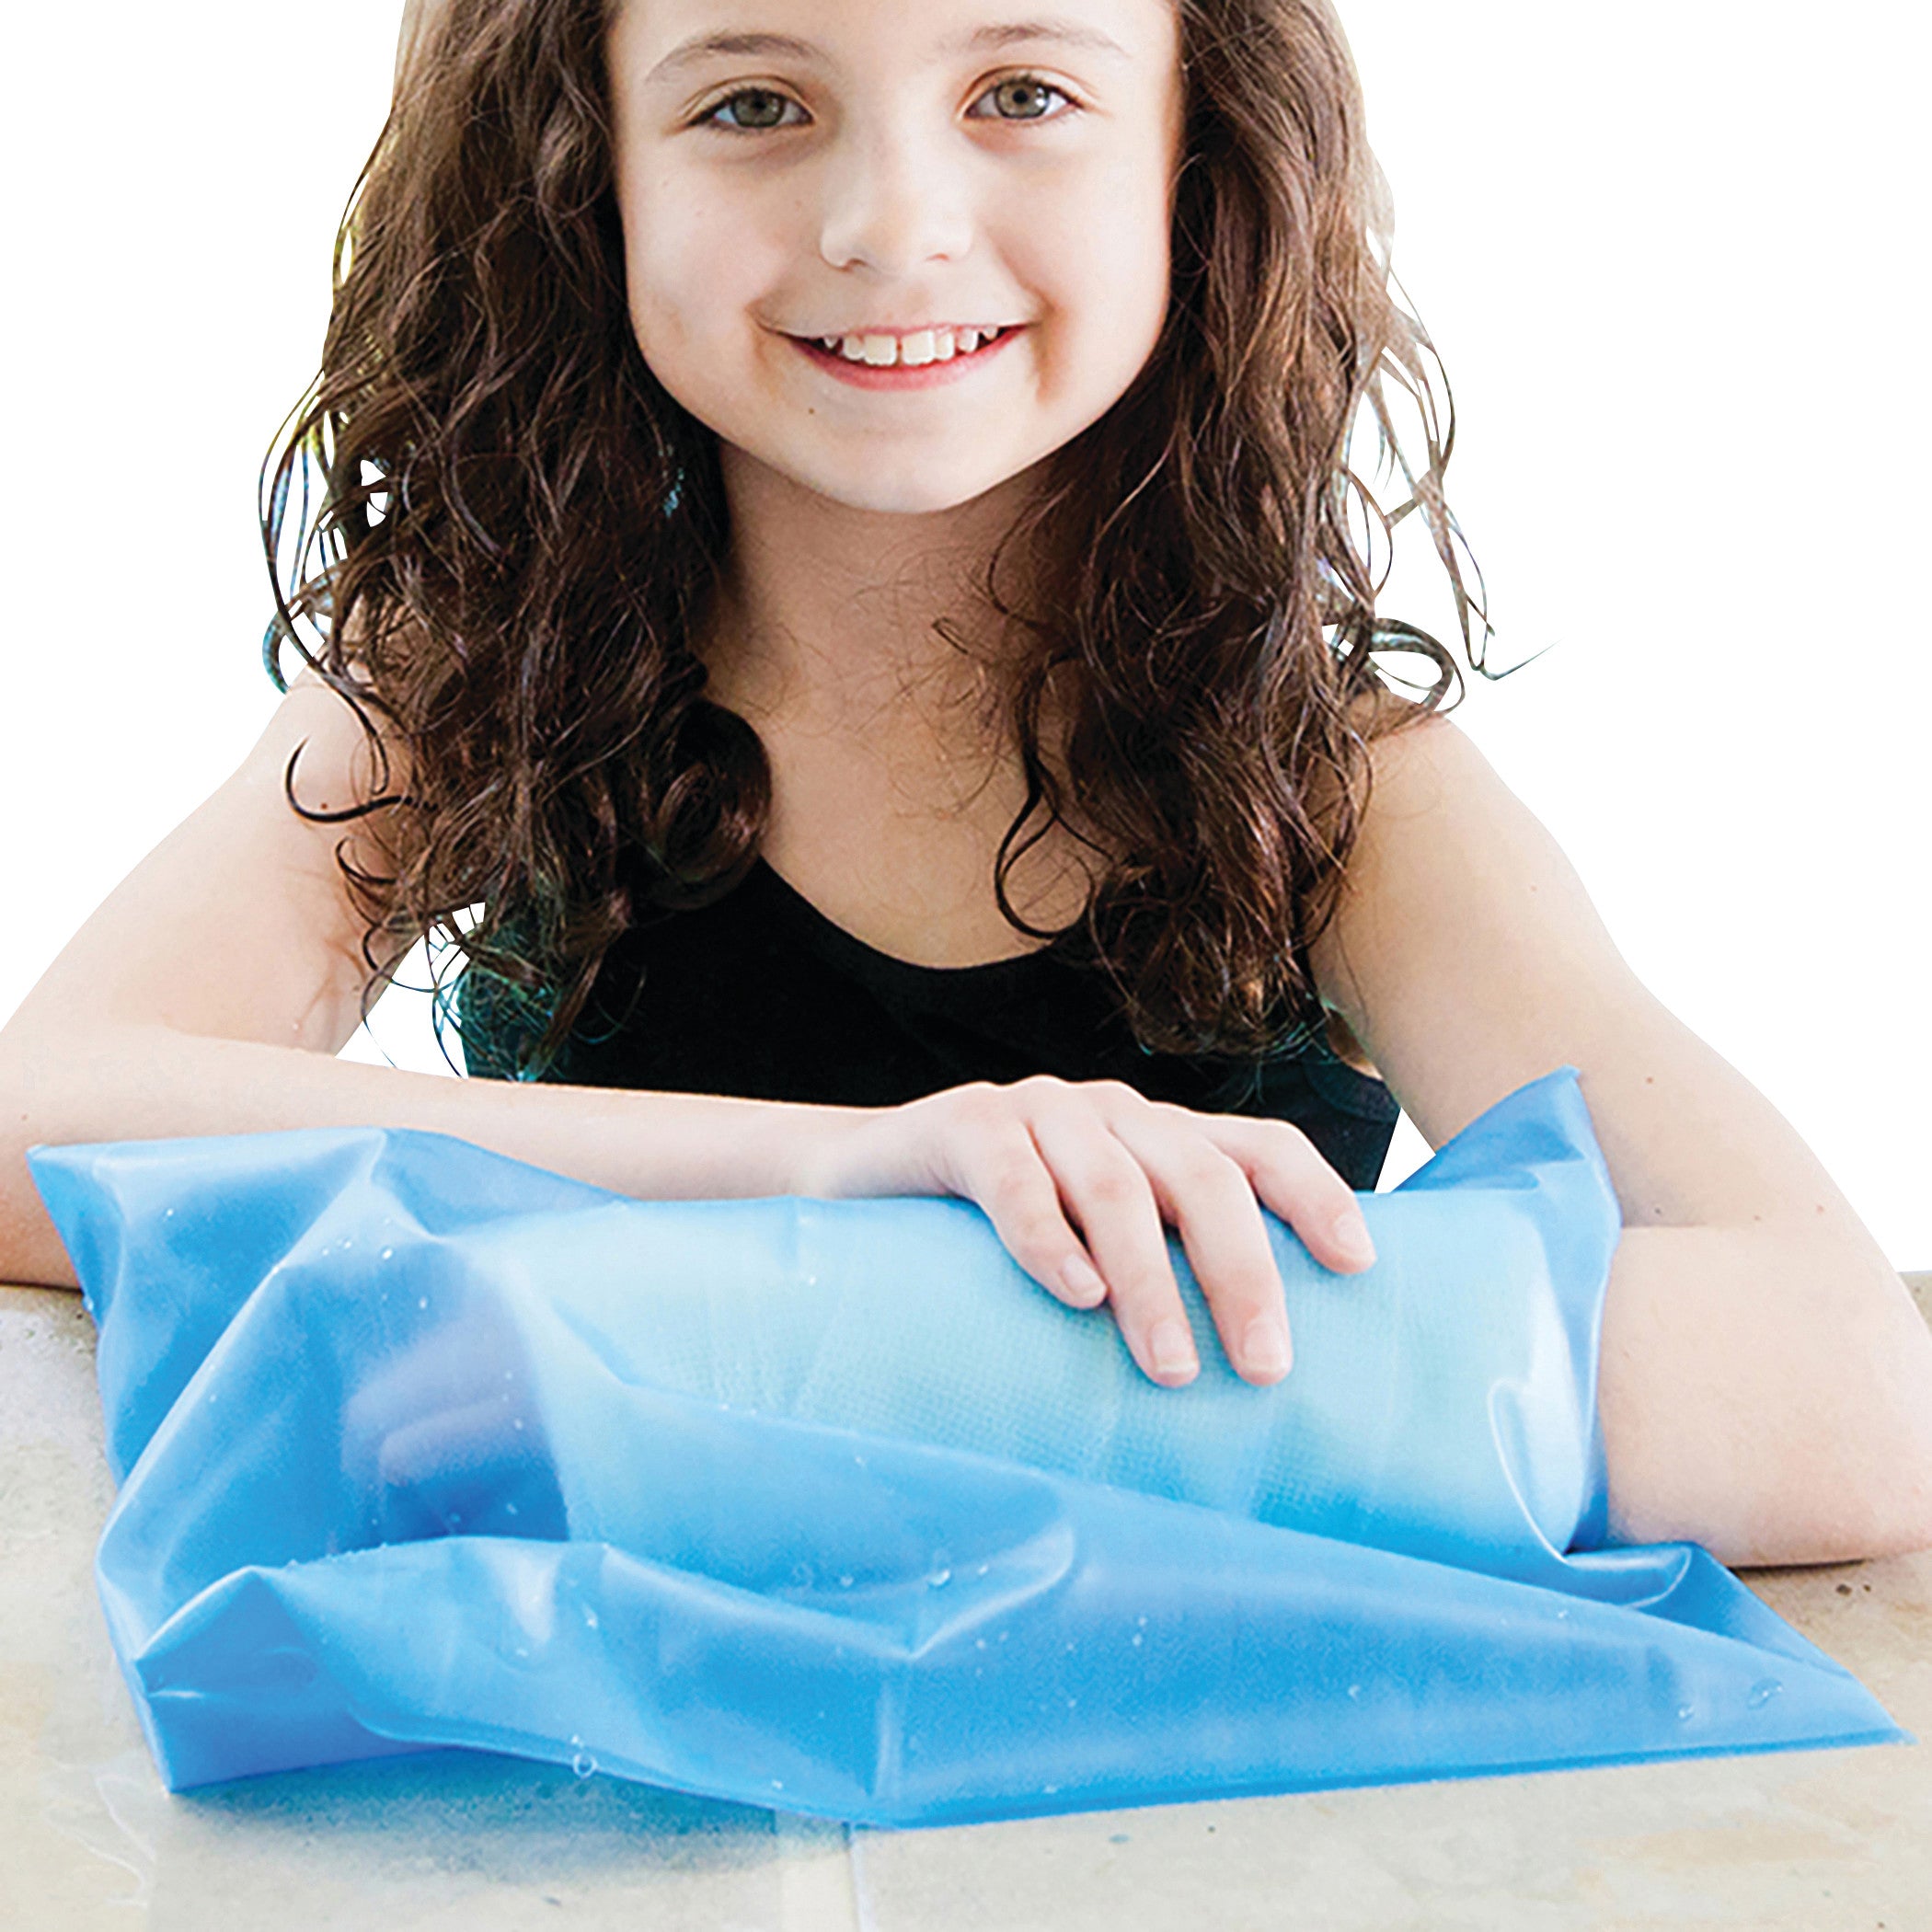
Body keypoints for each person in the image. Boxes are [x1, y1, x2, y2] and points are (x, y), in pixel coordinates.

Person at [2, 0, 1927, 1572]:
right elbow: (39, 1135)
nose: (892, 224)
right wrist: (829, 1174)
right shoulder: (468, 692)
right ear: (587, 171)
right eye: (754, 102)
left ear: (1195, 152)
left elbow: (1840, 1393)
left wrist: (765, 1323)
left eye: (1022, 92)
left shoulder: (1338, 789)